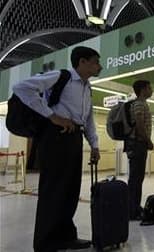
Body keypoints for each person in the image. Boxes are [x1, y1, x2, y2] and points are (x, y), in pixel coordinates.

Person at [13, 46, 102, 252]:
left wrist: (94, 144)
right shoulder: (62, 76)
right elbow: (21, 88)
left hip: (74, 138)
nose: (100, 66)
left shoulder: (88, 88)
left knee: (70, 190)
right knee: (53, 190)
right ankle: (45, 242)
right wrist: (52, 116)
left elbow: (88, 120)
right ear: (82, 62)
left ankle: (65, 237)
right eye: (96, 61)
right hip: (55, 137)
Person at [125, 80, 154, 220]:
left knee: (137, 178)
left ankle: (134, 207)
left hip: (138, 144)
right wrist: (148, 141)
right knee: (135, 179)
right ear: (143, 90)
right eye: (150, 88)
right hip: (137, 144)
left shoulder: (142, 104)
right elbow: (139, 125)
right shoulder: (139, 104)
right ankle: (132, 210)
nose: (151, 90)